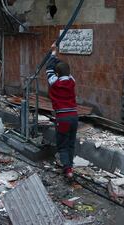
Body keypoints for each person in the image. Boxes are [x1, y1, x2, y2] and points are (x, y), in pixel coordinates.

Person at [46, 43, 78, 179]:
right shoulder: (72, 81)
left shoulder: (55, 83)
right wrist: (56, 57)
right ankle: (70, 164)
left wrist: (53, 52)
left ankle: (68, 169)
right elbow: (65, 70)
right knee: (70, 143)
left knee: (62, 145)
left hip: (62, 118)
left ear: (57, 73)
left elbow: (48, 69)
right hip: (74, 116)